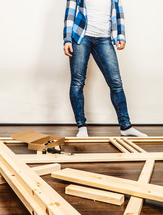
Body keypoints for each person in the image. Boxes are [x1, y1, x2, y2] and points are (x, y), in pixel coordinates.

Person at [63, 0, 148, 137]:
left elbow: (118, 12)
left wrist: (120, 35)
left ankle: (126, 127)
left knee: (116, 83)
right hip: (81, 37)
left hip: (104, 39)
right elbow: (70, 13)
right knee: (78, 82)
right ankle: (82, 127)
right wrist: (67, 39)